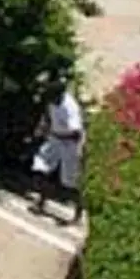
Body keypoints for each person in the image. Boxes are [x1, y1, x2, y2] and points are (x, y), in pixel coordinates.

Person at [31, 84, 86, 221]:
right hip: (54, 139)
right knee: (41, 168)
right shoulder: (51, 100)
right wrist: (42, 126)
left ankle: (78, 213)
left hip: (70, 145)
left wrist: (57, 135)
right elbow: (47, 113)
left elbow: (76, 134)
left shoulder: (70, 108)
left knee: (70, 183)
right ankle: (41, 202)